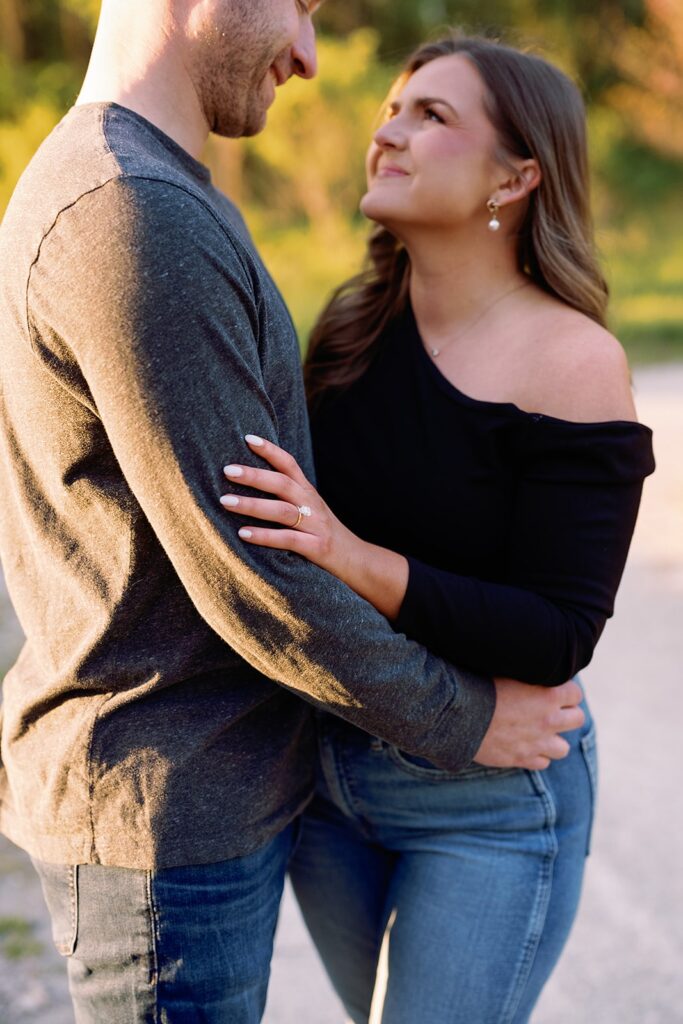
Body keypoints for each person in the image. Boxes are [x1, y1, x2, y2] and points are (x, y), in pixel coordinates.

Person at [0, 7, 586, 1023]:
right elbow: (255, 573)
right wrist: (460, 717)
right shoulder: (133, 210)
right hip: (165, 804)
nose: (314, 58)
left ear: (515, 177)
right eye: (302, 5)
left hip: (215, 791)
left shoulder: (152, 191)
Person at [218, 35, 656, 1024]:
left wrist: (350, 556)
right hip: (327, 784)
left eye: (431, 116)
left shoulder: (570, 360)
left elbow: (556, 633)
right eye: (392, 109)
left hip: (487, 801)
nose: (387, 133)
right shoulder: (349, 331)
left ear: (516, 176)